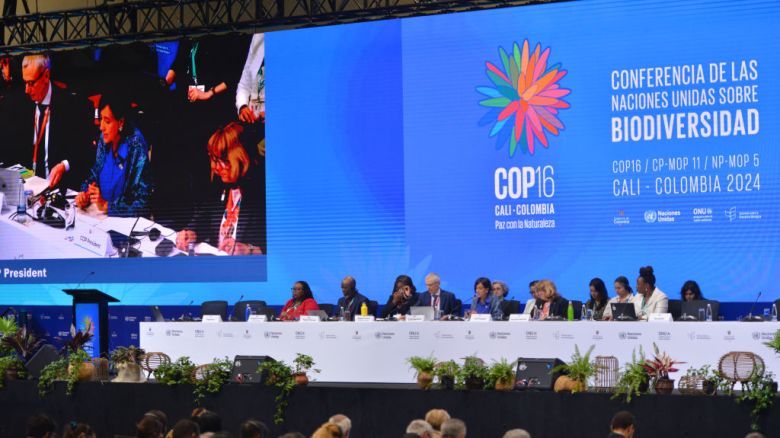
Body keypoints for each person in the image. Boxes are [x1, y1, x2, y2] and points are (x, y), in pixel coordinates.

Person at [175, 122, 266, 255]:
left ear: (242, 158)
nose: (216, 167)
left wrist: (250, 250)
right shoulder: (222, 182)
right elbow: (205, 216)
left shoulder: (262, 193)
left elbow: (280, 246)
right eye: (214, 160)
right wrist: (191, 232)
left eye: (224, 161)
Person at [13, 54, 93, 190]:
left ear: (46, 76)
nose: (27, 90)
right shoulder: (22, 104)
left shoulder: (72, 105)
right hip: (28, 188)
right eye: (25, 82)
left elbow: (84, 150)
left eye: (31, 83)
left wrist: (64, 165)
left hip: (59, 189)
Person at [75, 92, 153, 217]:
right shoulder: (104, 138)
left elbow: (143, 203)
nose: (101, 127)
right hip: (98, 216)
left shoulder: (136, 146)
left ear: (121, 122)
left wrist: (108, 206)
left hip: (124, 224)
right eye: (101, 119)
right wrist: (85, 193)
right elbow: (93, 174)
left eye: (107, 121)